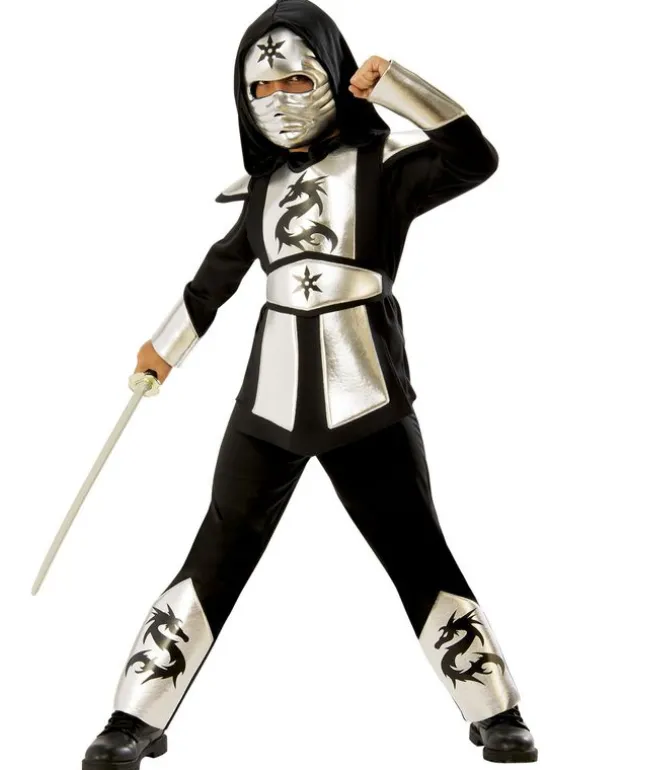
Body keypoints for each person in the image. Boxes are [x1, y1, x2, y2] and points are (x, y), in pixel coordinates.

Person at [82, 1, 538, 766]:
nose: (279, 98)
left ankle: (496, 711)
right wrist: (162, 350)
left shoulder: (384, 169)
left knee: (416, 549)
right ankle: (133, 718)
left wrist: (397, 87)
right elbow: (216, 277)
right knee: (217, 551)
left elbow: (473, 158)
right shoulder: (259, 190)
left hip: (367, 395)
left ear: (332, 74)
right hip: (269, 401)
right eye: (261, 87)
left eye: (296, 79)